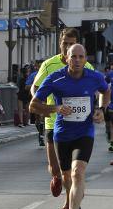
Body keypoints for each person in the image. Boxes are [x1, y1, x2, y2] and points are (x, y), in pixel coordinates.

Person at [31, 43, 109, 209]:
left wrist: (101, 109)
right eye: (73, 56)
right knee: (66, 177)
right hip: (62, 134)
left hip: (84, 133)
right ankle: (75, 197)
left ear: (85, 59)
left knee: (77, 173)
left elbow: (105, 91)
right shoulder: (55, 78)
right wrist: (55, 109)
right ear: (66, 58)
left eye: (81, 57)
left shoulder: (94, 77)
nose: (77, 60)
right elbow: (33, 105)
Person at [30, 28, 79, 197]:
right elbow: (35, 87)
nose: (68, 47)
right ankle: (56, 177)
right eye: (65, 43)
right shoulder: (49, 65)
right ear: (60, 44)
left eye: (72, 44)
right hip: (53, 121)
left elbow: (96, 88)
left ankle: (70, 204)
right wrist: (39, 102)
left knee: (73, 170)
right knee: (56, 168)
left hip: (77, 123)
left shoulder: (85, 65)